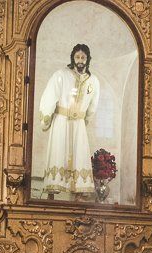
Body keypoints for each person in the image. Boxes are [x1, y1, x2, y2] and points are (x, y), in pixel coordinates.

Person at [39, 44, 101, 196]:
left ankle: (78, 197)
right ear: (73, 58)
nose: (80, 60)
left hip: (79, 124)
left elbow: (93, 106)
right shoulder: (60, 75)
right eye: (77, 57)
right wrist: (46, 119)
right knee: (58, 152)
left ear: (88, 59)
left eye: (83, 57)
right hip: (61, 121)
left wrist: (84, 120)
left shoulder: (93, 81)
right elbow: (49, 97)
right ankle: (51, 195)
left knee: (79, 155)